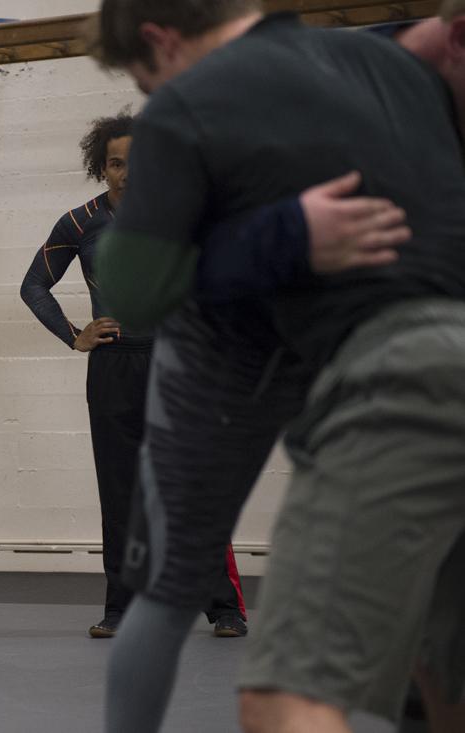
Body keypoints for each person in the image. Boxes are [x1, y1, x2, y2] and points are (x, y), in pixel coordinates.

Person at [90, 2, 465, 731]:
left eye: (145, 77)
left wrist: (278, 237)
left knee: (277, 687)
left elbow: (132, 292)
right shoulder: (395, 67)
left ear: (162, 42)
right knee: (440, 658)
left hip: (382, 370)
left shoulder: (187, 105)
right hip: (399, 345)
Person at [19, 113, 248, 638]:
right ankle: (120, 606)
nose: (127, 173)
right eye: (116, 164)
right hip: (114, 369)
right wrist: (73, 333)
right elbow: (34, 286)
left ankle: (224, 606)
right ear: (101, 167)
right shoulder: (79, 224)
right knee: (120, 493)